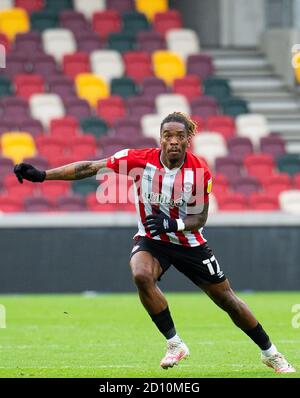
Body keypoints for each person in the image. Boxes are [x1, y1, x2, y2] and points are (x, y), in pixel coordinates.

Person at [14, 112, 295, 373]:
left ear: (188, 139)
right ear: (160, 138)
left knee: (227, 300)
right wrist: (42, 176)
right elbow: (90, 167)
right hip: (152, 240)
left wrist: (173, 224)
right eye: (168, 135)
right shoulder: (139, 160)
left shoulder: (199, 171)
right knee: (140, 273)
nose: (173, 141)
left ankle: (270, 352)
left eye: (179, 136)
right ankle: (175, 343)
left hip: (189, 242)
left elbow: (200, 217)